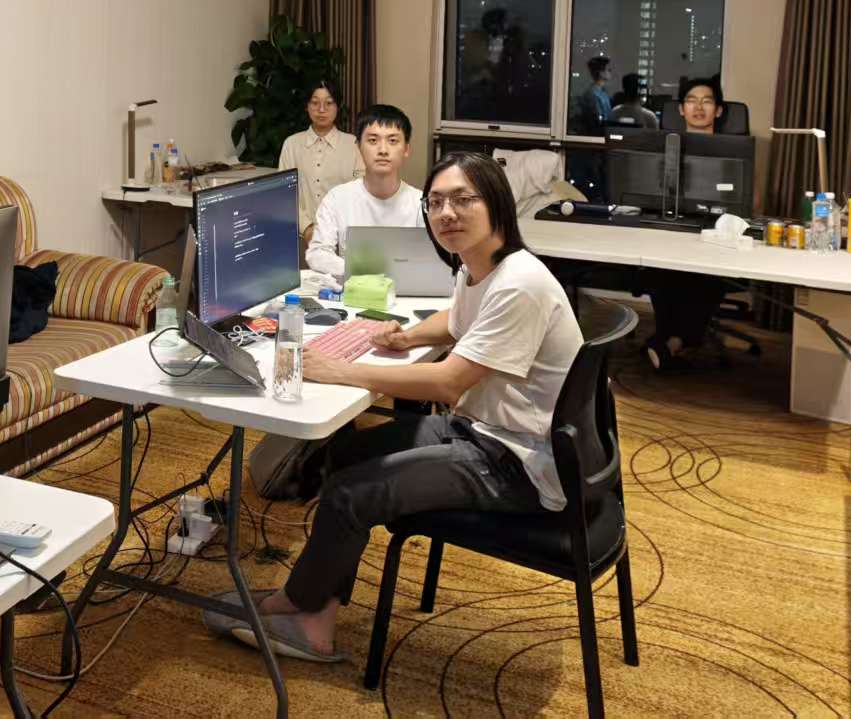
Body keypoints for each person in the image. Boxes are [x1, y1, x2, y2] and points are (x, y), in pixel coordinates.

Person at [201, 152, 580, 662]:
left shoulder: (519, 284)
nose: (446, 213)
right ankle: (314, 607)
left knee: (350, 495)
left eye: (462, 200)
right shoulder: (481, 267)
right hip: (489, 432)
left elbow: (448, 383)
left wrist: (342, 371)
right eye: (436, 202)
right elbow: (458, 319)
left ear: (496, 204)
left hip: (520, 464)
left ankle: (305, 618)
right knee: (344, 455)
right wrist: (408, 336)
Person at [643, 76, 728, 369]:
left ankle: (671, 343)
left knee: (706, 274)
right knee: (660, 269)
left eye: (707, 101)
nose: (699, 107)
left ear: (718, 110)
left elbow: (749, 202)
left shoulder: (731, 149)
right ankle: (670, 342)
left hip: (716, 235)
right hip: (672, 230)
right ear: (681, 109)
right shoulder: (667, 148)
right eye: (691, 101)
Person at [304, 105, 422, 280]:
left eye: (392, 141)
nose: (383, 150)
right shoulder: (338, 198)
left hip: (408, 290)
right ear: (358, 147)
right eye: (373, 141)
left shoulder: (421, 203)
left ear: (406, 149)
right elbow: (317, 253)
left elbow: (437, 259)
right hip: (355, 290)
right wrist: (363, 272)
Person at [276, 80, 363, 241]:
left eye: (329, 103)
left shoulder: (354, 145)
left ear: (338, 106)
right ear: (307, 106)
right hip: (301, 237)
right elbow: (284, 194)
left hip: (343, 236)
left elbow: (361, 194)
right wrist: (307, 228)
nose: (321, 109)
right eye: (315, 102)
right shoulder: (292, 144)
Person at [576, 55, 613, 134]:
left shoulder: (602, 92)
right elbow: (598, 121)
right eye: (609, 70)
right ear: (601, 73)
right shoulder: (593, 95)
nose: (611, 72)